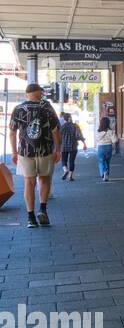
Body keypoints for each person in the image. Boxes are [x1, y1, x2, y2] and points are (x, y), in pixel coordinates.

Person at [8, 82, 61, 228]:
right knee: (44, 179)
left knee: (29, 182)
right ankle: (42, 210)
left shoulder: (18, 109)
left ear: (27, 94)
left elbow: (12, 132)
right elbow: (55, 131)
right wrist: (58, 150)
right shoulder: (47, 108)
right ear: (40, 93)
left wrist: (14, 152)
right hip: (45, 150)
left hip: (25, 152)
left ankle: (30, 218)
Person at [59, 112, 86, 180]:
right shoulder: (75, 126)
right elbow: (80, 135)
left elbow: (58, 137)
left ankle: (65, 170)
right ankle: (70, 175)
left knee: (63, 160)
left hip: (64, 146)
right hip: (73, 146)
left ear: (64, 119)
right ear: (70, 118)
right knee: (72, 161)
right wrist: (84, 144)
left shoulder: (62, 127)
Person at [95, 117, 118, 181]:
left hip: (101, 147)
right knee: (107, 162)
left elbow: (96, 140)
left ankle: (103, 173)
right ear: (108, 123)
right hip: (108, 147)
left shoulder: (98, 131)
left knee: (101, 161)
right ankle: (107, 174)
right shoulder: (111, 131)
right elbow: (115, 140)